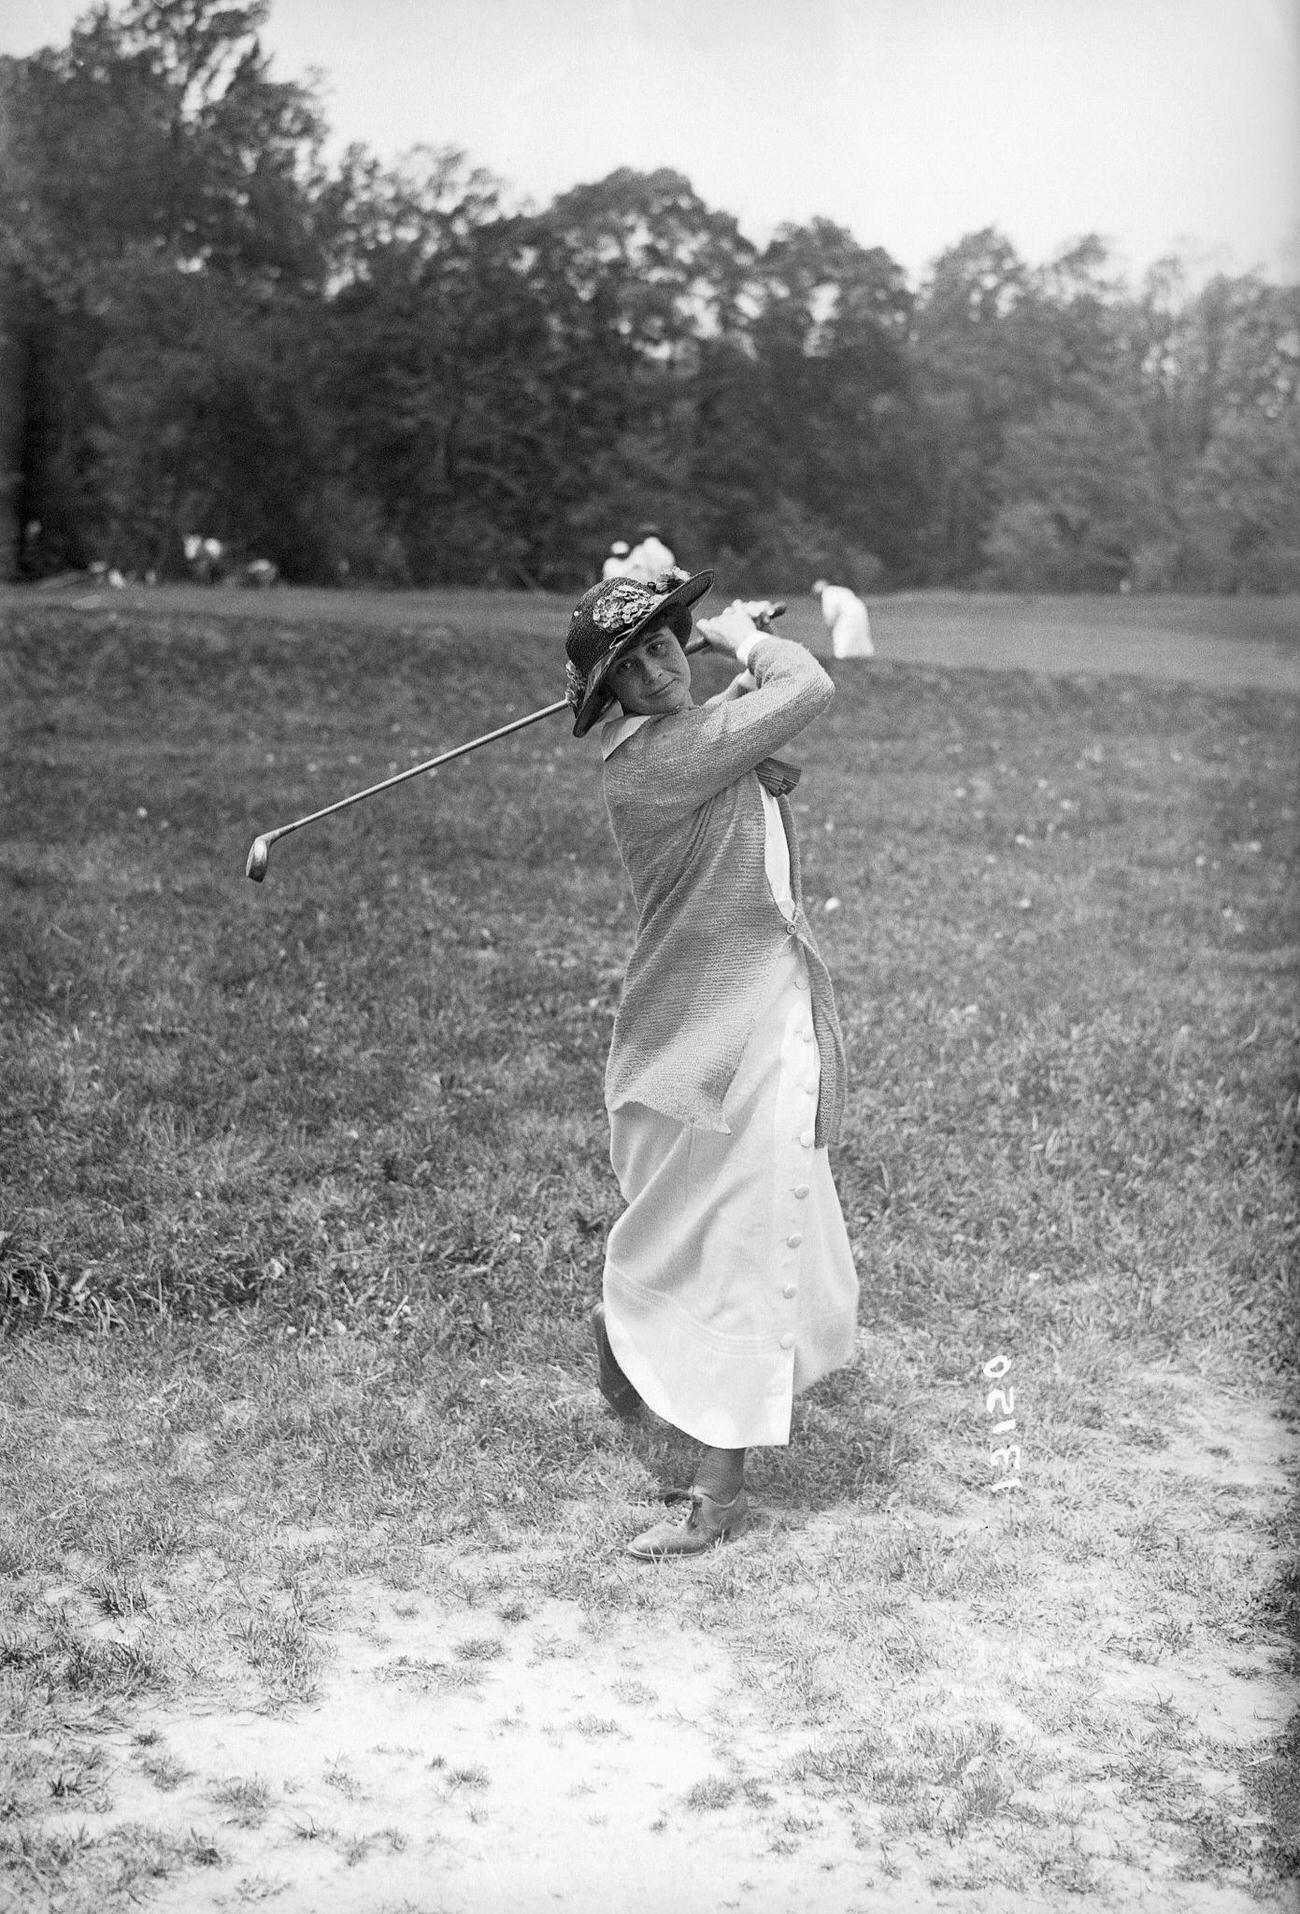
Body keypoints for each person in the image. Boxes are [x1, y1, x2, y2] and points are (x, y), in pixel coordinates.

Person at [564, 569, 860, 1560]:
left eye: (665, 644)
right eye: (630, 668)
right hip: (706, 1030)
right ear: (610, 700)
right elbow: (806, 689)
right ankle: (650, 1365)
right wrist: (743, 635)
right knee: (717, 1231)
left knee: (749, 1231)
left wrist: (733, 680)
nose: (657, 671)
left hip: (758, 1018)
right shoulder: (656, 763)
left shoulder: (680, 744)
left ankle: (714, 1484)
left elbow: (739, 726)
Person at [811, 579, 874, 659]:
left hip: (848, 613)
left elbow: (830, 616)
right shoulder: (838, 590)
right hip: (860, 609)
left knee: (840, 634)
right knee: (861, 633)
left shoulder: (826, 594)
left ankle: (841, 657)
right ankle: (865, 656)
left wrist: (829, 628)